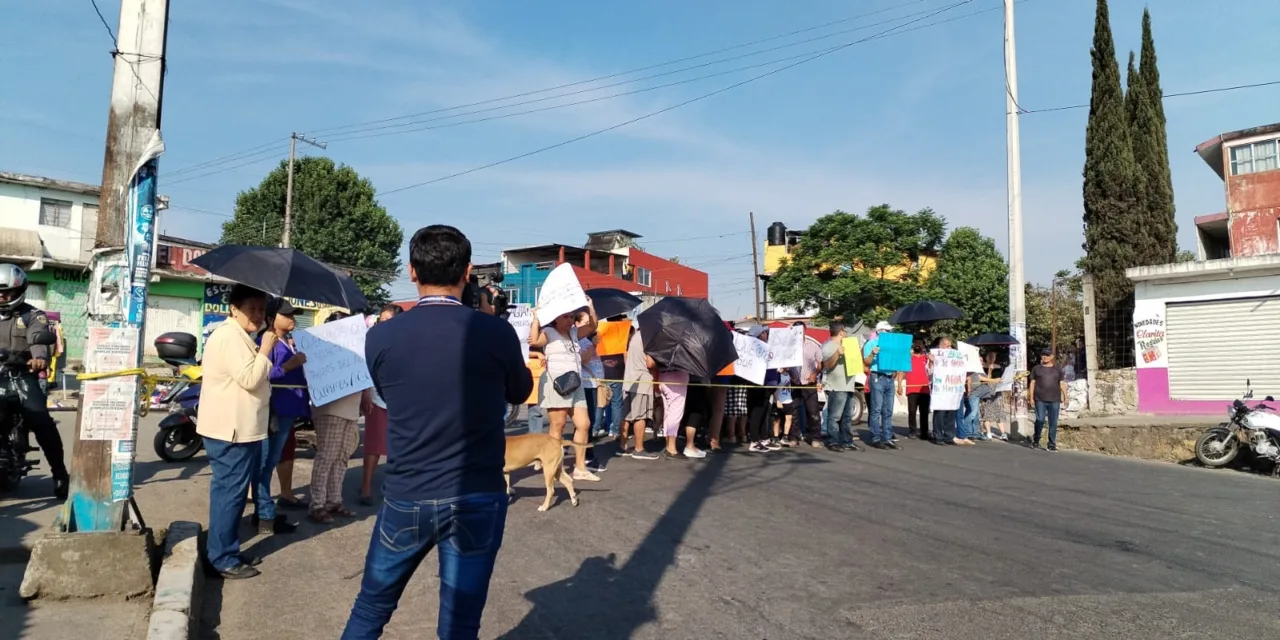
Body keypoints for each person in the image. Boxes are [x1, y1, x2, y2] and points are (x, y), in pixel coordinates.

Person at [343, 225, 532, 639]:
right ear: (467, 272)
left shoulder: (381, 336)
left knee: (371, 607)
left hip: (407, 493)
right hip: (477, 494)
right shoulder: (495, 332)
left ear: (412, 271)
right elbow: (521, 389)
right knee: (460, 623)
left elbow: (387, 390)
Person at [198, 284, 274, 579]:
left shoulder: (241, 336)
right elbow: (250, 378)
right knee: (230, 494)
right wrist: (266, 349)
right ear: (234, 308)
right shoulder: (229, 336)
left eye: (262, 309)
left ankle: (225, 549)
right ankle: (222, 558)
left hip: (242, 428)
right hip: (231, 431)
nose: (258, 315)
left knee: (234, 494)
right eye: (251, 308)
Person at [0, 264, 67, 499]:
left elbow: (39, 341)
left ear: (18, 291)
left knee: (40, 421)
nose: (1, 296)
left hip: (20, 376)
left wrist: (39, 359)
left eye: (6, 292)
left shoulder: (32, 316)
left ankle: (59, 473)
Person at [251, 297, 306, 535]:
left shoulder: (286, 341)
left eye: (294, 314)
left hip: (288, 411)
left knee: (270, 462)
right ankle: (265, 516)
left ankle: (265, 513)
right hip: (274, 412)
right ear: (273, 318)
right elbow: (261, 374)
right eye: (287, 314)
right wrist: (290, 366)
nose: (292, 318)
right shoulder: (268, 342)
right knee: (265, 464)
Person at [530, 299, 600, 481]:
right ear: (556, 318)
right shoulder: (549, 332)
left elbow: (593, 326)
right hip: (557, 384)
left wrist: (590, 306)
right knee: (558, 425)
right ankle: (553, 467)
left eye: (571, 316)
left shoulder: (574, 333)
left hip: (575, 383)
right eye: (566, 317)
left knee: (584, 424)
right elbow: (535, 340)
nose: (570, 320)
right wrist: (536, 318)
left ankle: (580, 467)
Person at [309, 311, 363, 525]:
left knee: (342, 456)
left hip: (351, 408)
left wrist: (365, 394)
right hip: (330, 409)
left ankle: (334, 500)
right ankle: (317, 505)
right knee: (327, 456)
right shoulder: (320, 349)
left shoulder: (355, 348)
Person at [359, 304, 403, 505]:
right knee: (373, 445)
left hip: (399, 400)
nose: (383, 324)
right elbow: (365, 367)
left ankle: (395, 486)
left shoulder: (407, 342)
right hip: (376, 399)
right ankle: (366, 487)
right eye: (381, 320)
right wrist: (366, 392)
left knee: (399, 445)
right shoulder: (372, 340)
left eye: (389, 320)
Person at [820, 322, 860, 452]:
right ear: (841, 332)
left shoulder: (847, 344)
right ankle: (833, 441)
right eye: (845, 331)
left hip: (848, 385)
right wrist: (837, 354)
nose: (847, 333)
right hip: (836, 387)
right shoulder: (828, 346)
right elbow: (827, 365)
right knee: (835, 416)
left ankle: (847, 441)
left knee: (847, 417)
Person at [862, 321, 901, 450]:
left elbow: (897, 359)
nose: (889, 333)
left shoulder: (892, 344)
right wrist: (873, 353)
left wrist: (896, 369)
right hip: (877, 376)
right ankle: (876, 437)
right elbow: (866, 362)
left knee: (888, 410)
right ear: (879, 331)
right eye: (887, 330)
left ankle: (887, 438)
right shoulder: (871, 343)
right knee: (876, 409)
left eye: (890, 331)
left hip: (889, 377)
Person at [620, 325, 658, 460]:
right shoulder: (648, 339)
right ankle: (639, 448)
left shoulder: (636, 336)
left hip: (629, 379)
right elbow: (650, 363)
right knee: (640, 416)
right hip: (642, 381)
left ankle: (622, 446)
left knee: (627, 415)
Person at [577, 313, 606, 472]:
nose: (590, 325)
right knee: (585, 423)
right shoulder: (579, 340)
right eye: (586, 322)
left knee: (592, 420)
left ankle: (586, 454)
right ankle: (586, 456)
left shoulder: (589, 339)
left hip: (594, 384)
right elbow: (582, 359)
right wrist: (593, 345)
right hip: (585, 384)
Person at [596, 316, 631, 439]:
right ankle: (614, 430)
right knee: (617, 403)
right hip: (618, 372)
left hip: (602, 372)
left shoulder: (601, 331)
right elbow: (625, 355)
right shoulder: (622, 332)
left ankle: (596, 428)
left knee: (600, 403)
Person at [792, 321, 825, 447]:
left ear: (805, 330)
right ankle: (794, 437)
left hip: (809, 383)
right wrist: (788, 373)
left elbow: (820, 364)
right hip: (794, 382)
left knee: (813, 411)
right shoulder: (789, 347)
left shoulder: (813, 345)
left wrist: (814, 374)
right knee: (794, 411)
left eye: (800, 330)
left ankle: (815, 437)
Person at [1029, 349, 1067, 452]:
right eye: (1043, 355)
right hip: (1040, 399)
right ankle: (1036, 439)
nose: (1044, 357)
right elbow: (1032, 383)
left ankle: (1051, 444)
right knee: (1040, 419)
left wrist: (1066, 397)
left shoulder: (1057, 370)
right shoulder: (1037, 369)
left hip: (1054, 399)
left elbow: (1062, 383)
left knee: (1053, 422)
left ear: (1052, 357)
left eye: (1047, 355)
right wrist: (1031, 397)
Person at [929, 337, 960, 446]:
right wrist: (932, 362)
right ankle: (938, 436)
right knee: (940, 413)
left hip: (951, 388)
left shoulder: (953, 357)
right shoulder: (934, 356)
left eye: (950, 346)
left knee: (951, 412)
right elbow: (929, 373)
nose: (949, 348)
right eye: (947, 346)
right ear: (940, 346)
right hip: (940, 389)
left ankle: (949, 436)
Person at [904, 341, 931, 440]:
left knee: (924, 412)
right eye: (916, 345)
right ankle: (912, 431)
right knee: (912, 411)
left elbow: (932, 370)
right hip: (911, 388)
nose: (918, 346)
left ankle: (924, 432)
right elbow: (901, 371)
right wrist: (899, 385)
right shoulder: (908, 358)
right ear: (913, 346)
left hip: (924, 389)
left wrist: (931, 360)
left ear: (923, 347)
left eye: (920, 345)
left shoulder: (927, 358)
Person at [773, 368, 797, 447]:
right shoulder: (778, 374)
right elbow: (774, 389)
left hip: (788, 399)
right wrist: (777, 400)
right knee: (777, 420)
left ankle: (785, 437)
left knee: (789, 418)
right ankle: (775, 437)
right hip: (779, 399)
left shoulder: (789, 374)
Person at [525, 347, 547, 434]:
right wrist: (536, 354)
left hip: (551, 366)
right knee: (535, 409)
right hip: (535, 367)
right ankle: (535, 439)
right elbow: (519, 349)